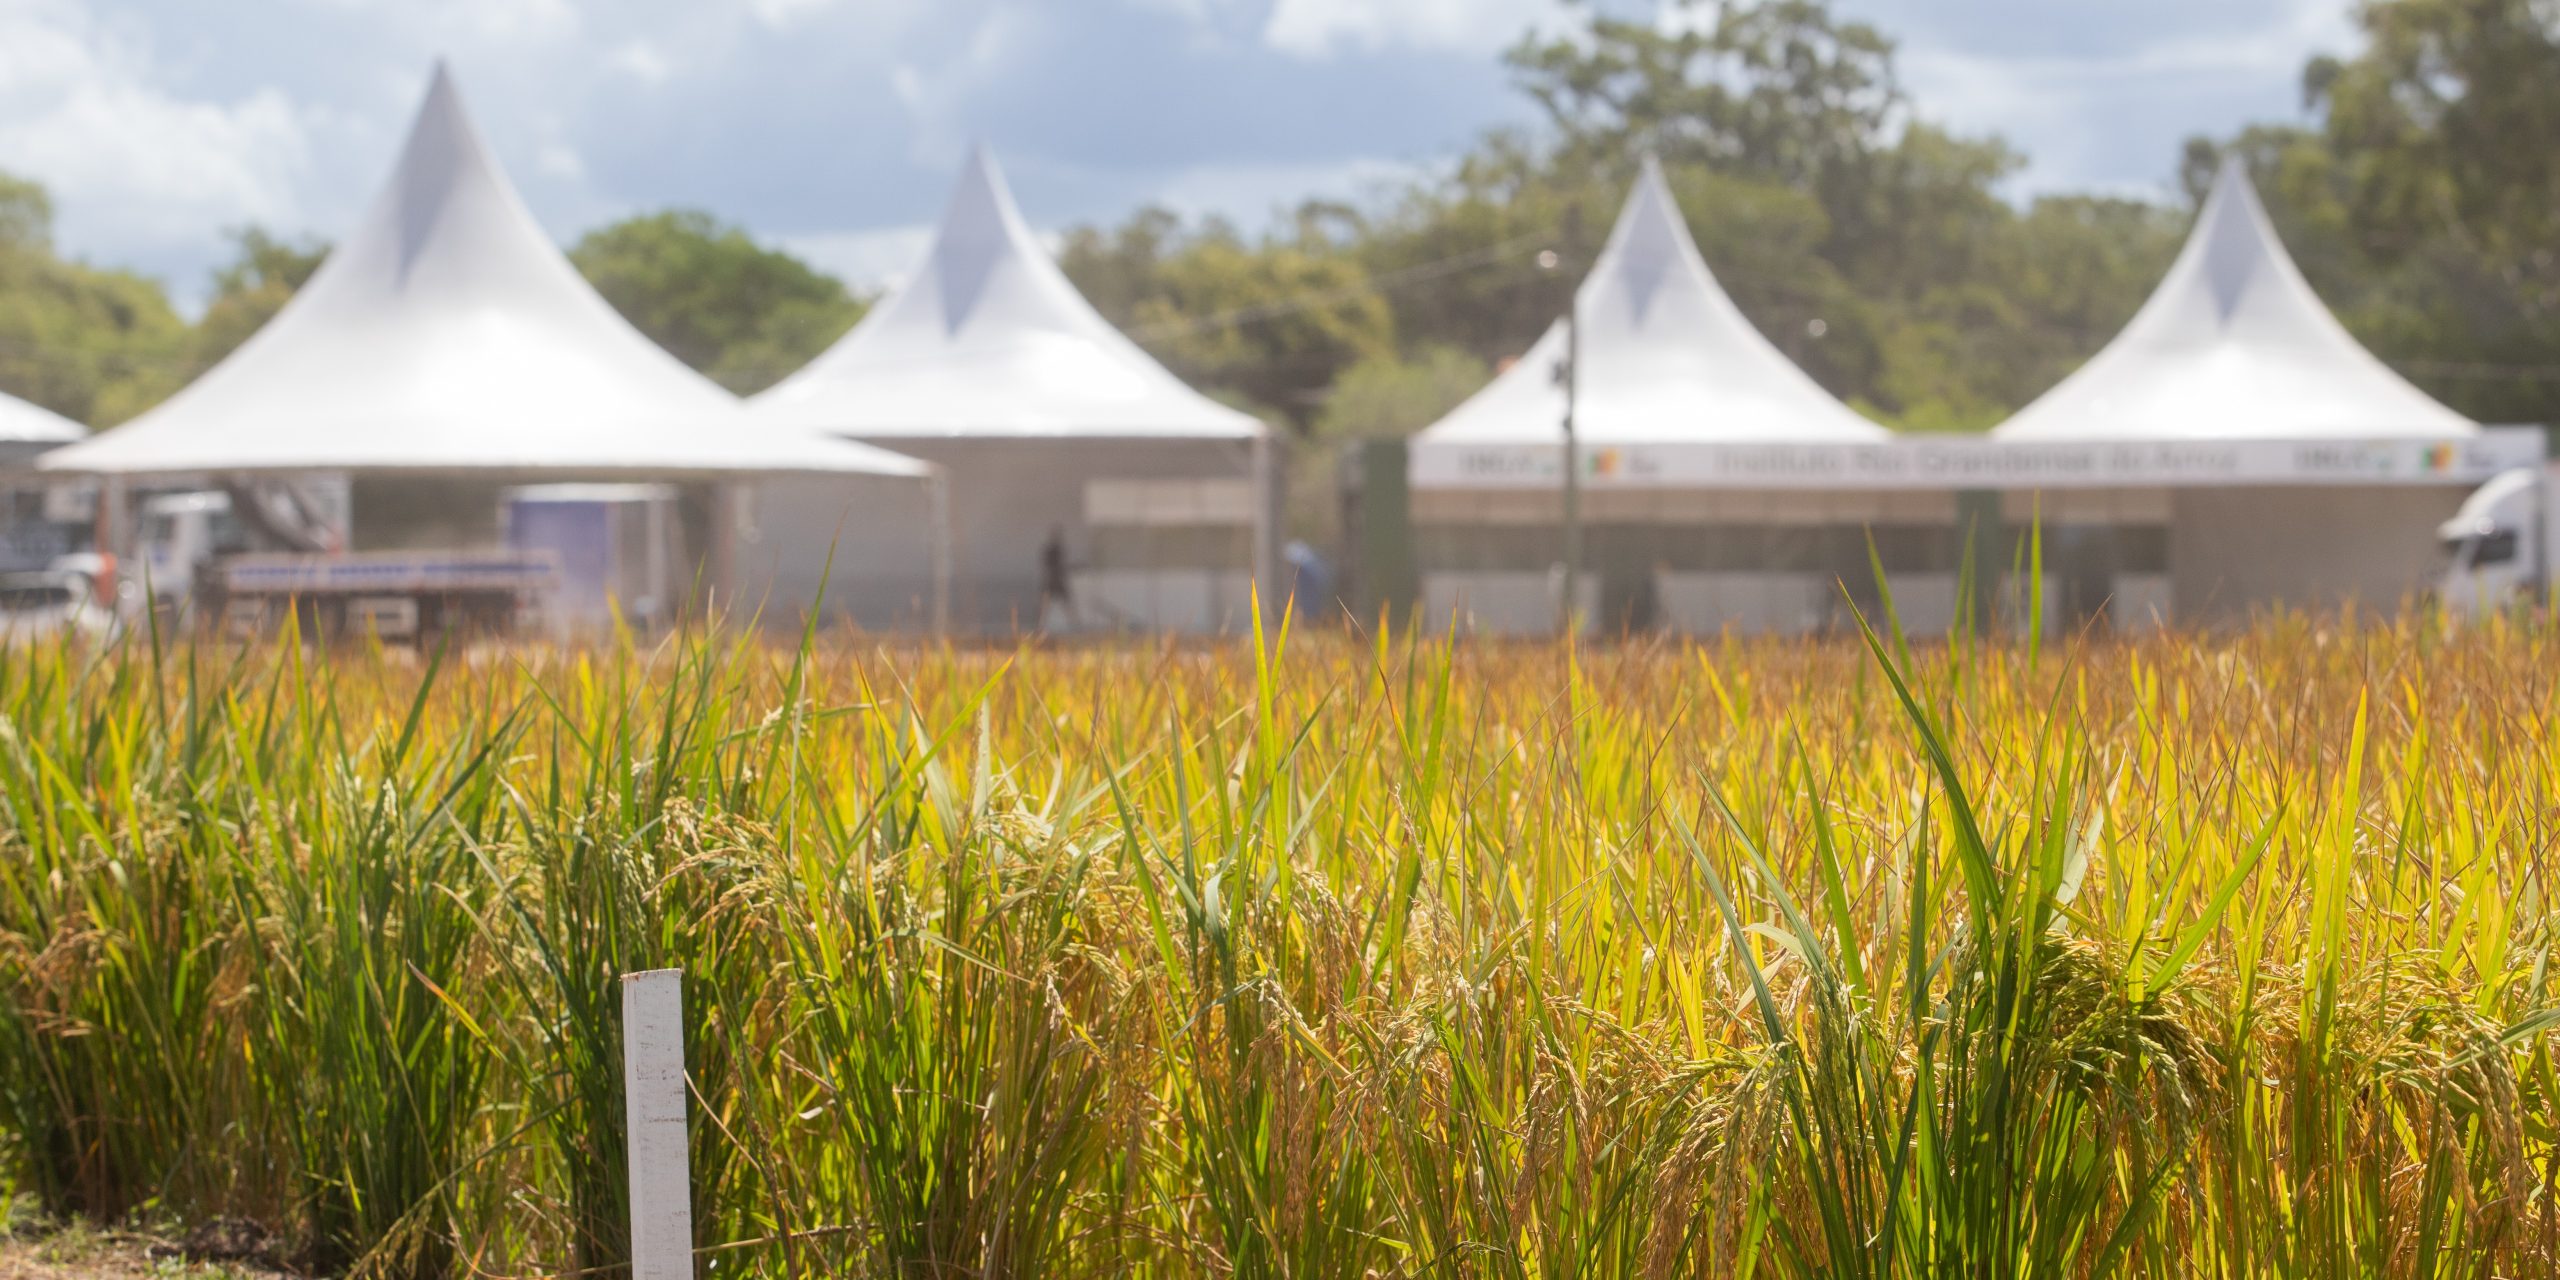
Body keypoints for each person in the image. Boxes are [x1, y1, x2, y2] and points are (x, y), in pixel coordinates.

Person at [1038, 525, 1079, 633]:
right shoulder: (1052, 551)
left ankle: (1074, 624)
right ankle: (1041, 626)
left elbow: (1059, 566)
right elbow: (1053, 566)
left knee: (1064, 603)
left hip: (1056, 580)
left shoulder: (1057, 550)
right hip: (1053, 581)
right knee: (1047, 604)